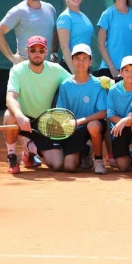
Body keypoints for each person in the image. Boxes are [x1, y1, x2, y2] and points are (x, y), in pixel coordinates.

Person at [1, 35, 71, 173]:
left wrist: (100, 81)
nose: (37, 54)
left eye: (41, 50)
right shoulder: (17, 70)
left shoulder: (56, 69)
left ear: (46, 52)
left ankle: (29, 147)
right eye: (33, 50)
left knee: (58, 164)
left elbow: (76, 82)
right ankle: (12, 156)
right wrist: (20, 115)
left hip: (44, 122)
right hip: (21, 119)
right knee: (10, 115)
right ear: (27, 51)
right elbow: (10, 98)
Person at [55, 44, 108, 174]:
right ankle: (86, 150)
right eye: (77, 58)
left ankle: (98, 160)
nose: (81, 62)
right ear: (72, 61)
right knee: (69, 167)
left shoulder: (98, 84)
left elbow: (103, 112)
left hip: (91, 126)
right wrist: (66, 124)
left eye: (85, 58)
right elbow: (61, 112)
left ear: (90, 62)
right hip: (73, 130)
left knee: (93, 125)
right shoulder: (65, 85)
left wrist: (80, 121)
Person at [0, 0, 58, 65]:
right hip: (24, 68)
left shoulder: (50, 9)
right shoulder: (18, 10)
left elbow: (55, 31)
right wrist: (12, 57)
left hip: (46, 68)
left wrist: (54, 53)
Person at [106, 55, 132, 178]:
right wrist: (123, 121)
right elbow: (110, 115)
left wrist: (125, 120)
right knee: (123, 167)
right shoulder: (113, 90)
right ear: (121, 72)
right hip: (119, 129)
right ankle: (130, 155)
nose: (130, 73)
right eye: (126, 70)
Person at [56, 0, 94, 73]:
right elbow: (64, 47)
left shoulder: (83, 16)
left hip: (84, 67)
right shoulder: (65, 17)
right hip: (70, 69)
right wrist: (75, 73)